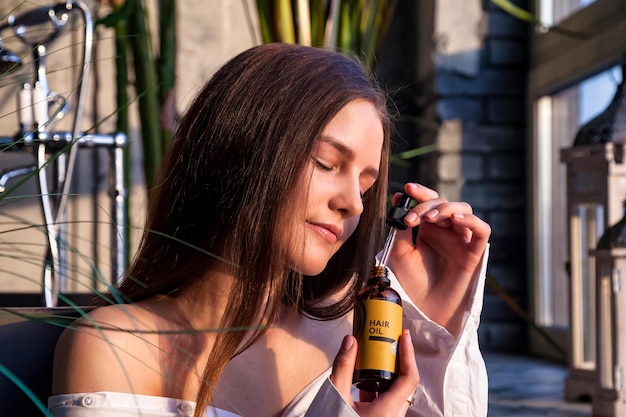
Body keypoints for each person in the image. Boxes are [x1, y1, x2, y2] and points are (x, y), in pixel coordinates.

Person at [48, 43, 491, 417]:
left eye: (365, 184)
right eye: (325, 163)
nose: (353, 203)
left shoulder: (353, 339)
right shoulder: (119, 347)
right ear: (240, 150)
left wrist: (437, 317)